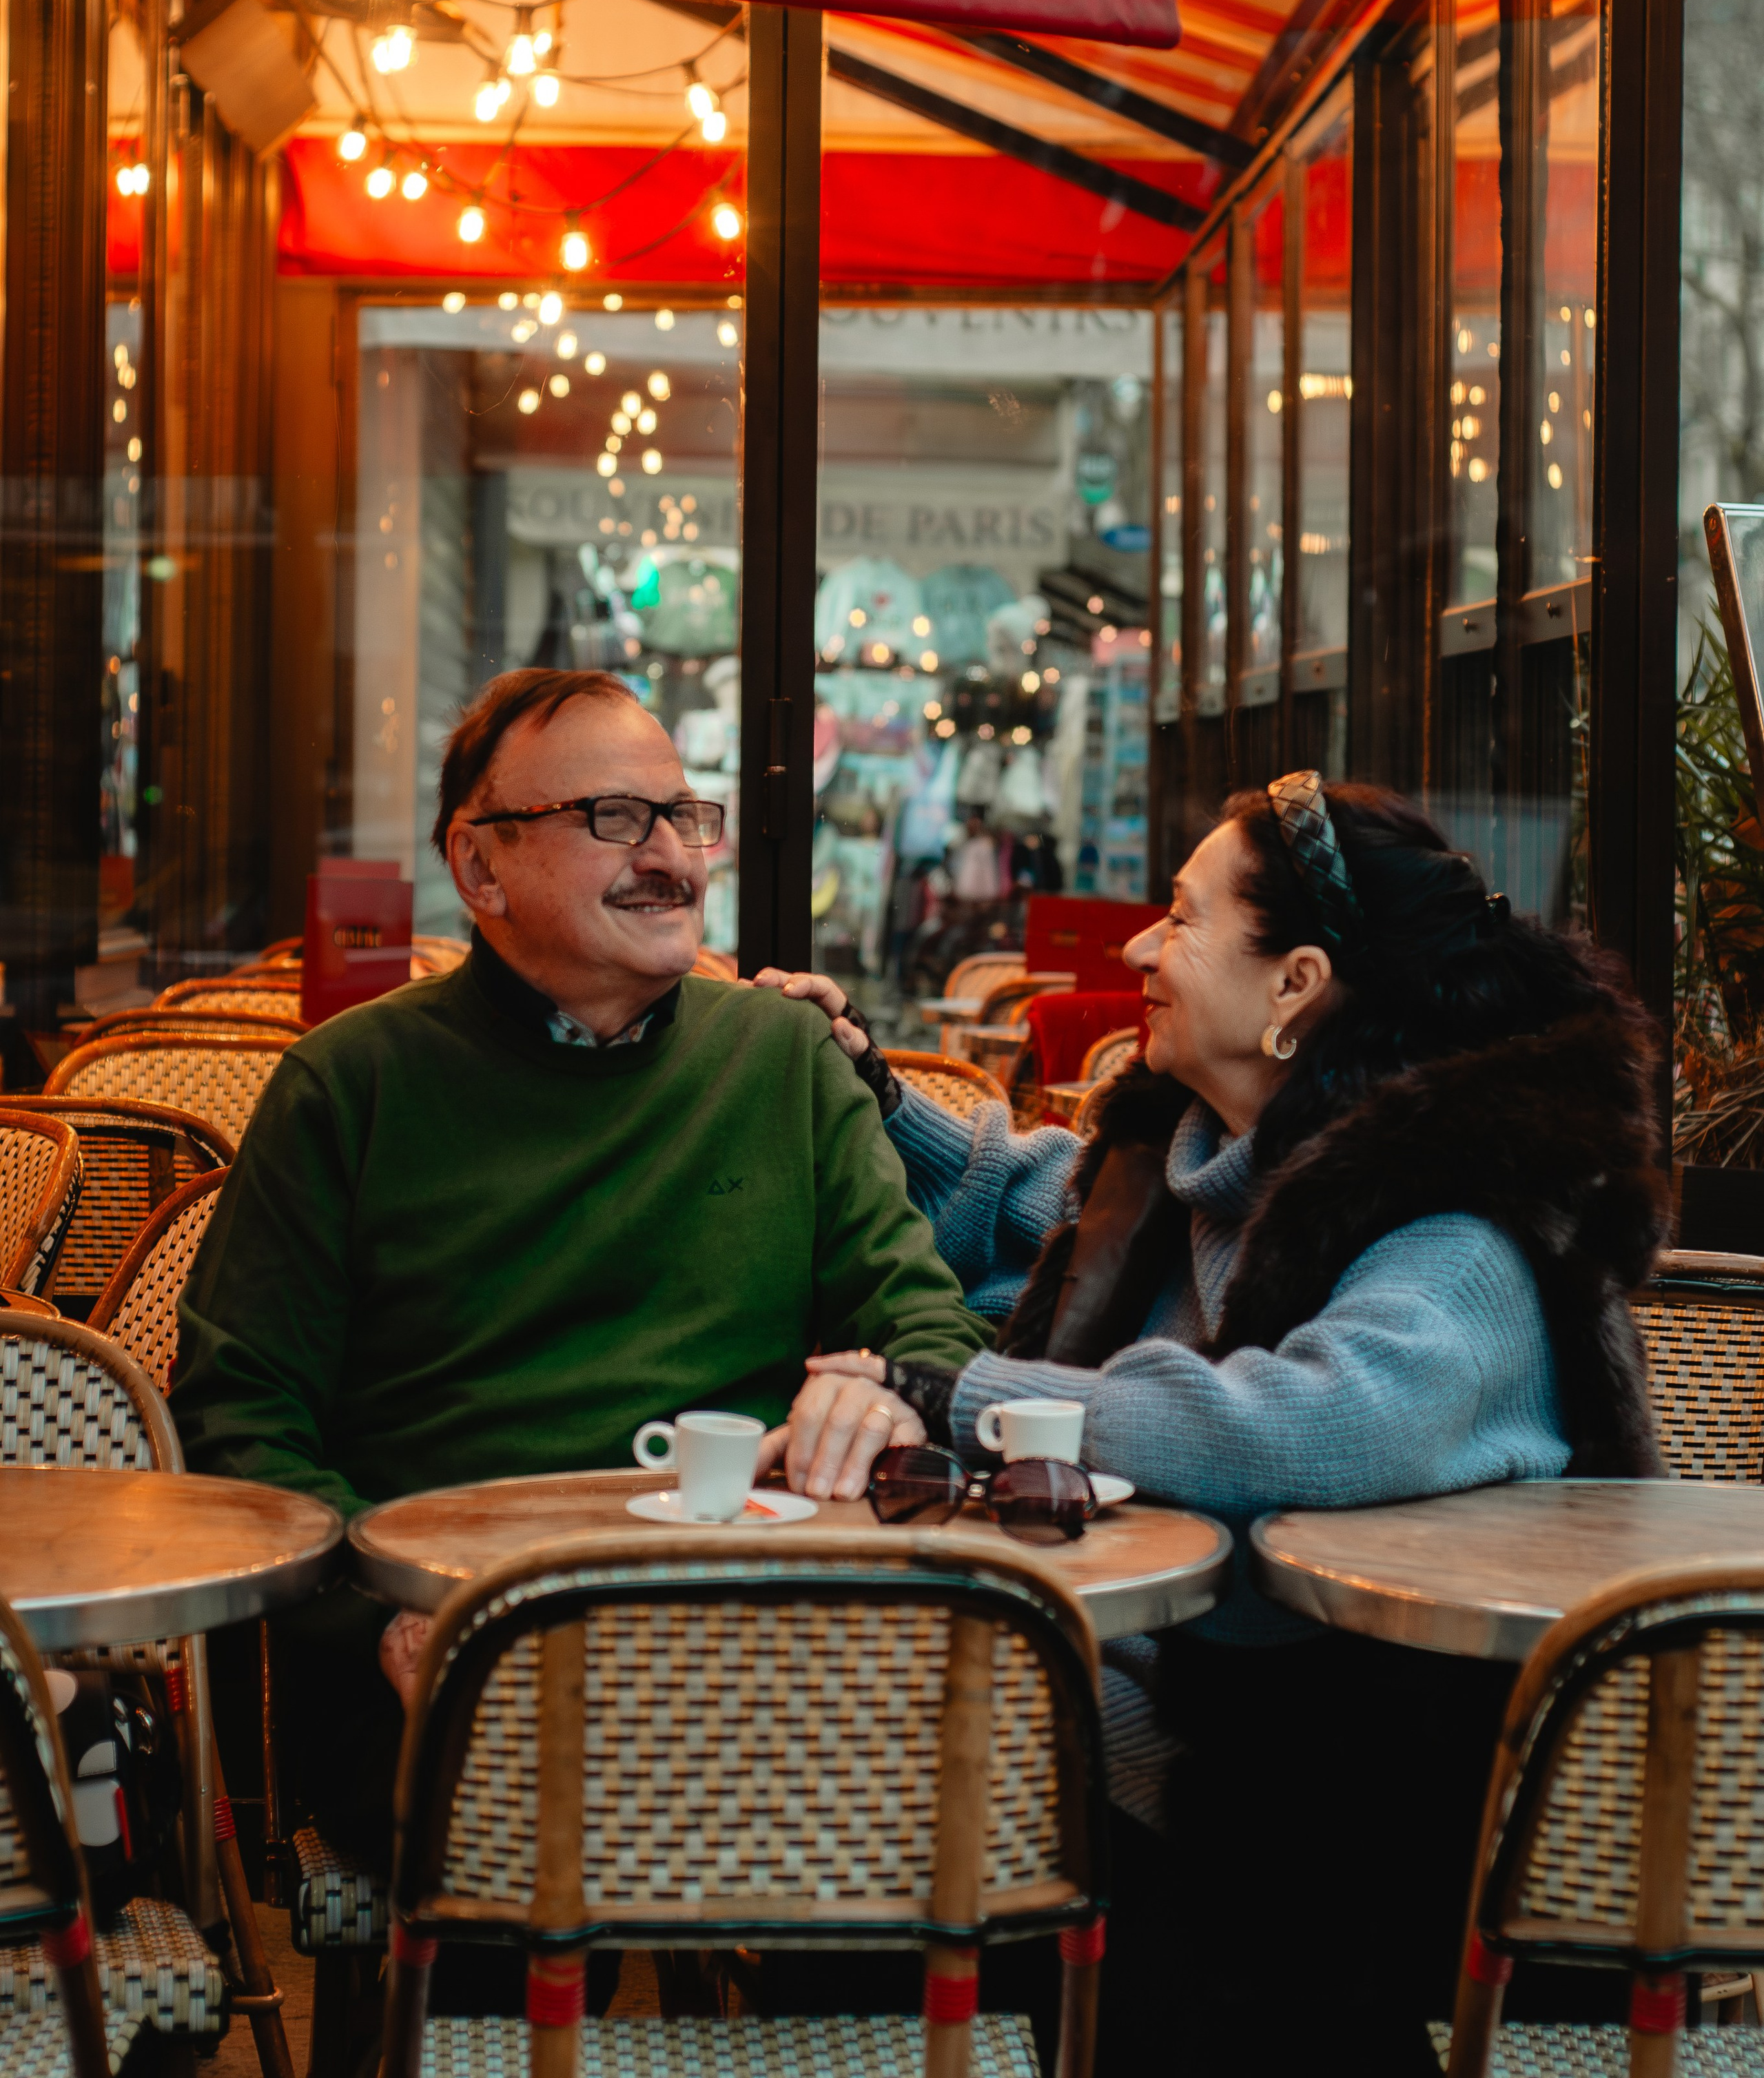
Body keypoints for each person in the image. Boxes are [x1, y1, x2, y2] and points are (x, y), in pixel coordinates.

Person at [761, 775, 1667, 2075]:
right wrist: (864, 1089)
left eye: (1178, 918)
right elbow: (1036, 1206)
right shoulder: (1200, 1156)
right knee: (842, 1787)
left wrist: (957, 1399)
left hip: (1331, 1825)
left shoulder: (1462, 1224)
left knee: (856, 1818)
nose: (1134, 944)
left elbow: (1295, 1431)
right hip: (1139, 1717)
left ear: (1296, 984)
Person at [172, 666, 988, 1870]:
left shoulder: (782, 1058)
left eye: (682, 816)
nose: (668, 854)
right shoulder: (352, 1085)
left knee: (952, 1809)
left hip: (750, 1632)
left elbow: (931, 1328)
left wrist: (893, 1393)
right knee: (539, 1855)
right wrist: (380, 1612)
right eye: (613, 818)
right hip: (450, 1640)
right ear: (480, 866)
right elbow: (241, 1416)